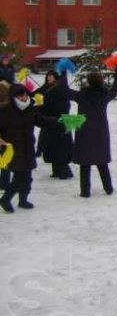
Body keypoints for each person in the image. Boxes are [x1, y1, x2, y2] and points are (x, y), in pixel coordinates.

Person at [59, 64, 117, 198]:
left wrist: (63, 72)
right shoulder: (105, 95)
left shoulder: (82, 95)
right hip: (101, 131)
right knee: (102, 162)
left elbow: (65, 90)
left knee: (85, 163)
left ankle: (85, 191)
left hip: (84, 131)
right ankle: (108, 188)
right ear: (102, 81)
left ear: (88, 82)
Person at [0, 84, 52, 212]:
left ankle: (23, 200)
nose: (24, 97)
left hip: (28, 147)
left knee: (27, 177)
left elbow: (41, 121)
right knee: (20, 176)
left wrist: (59, 121)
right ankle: (5, 199)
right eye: (21, 95)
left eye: (25, 94)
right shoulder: (6, 110)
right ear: (14, 96)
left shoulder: (30, 109)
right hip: (13, 149)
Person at [34, 71, 74, 179]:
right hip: (51, 122)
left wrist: (40, 108)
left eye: (51, 77)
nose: (49, 79)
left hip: (60, 122)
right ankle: (56, 170)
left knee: (60, 148)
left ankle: (64, 172)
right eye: (48, 77)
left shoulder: (59, 91)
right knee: (52, 147)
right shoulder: (48, 89)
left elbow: (59, 106)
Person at [0, 80, 11, 190]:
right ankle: (4, 181)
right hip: (6, 138)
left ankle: (4, 181)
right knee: (5, 159)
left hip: (4, 137)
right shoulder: (10, 107)